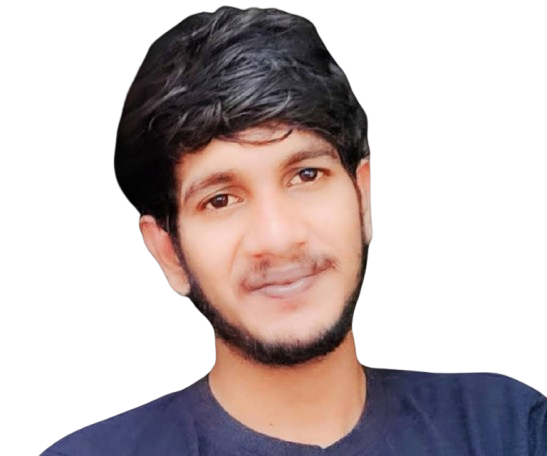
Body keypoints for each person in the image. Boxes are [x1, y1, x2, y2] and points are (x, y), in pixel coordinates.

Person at [40, 6, 545, 456]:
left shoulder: (508, 427)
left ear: (363, 198)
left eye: (306, 175)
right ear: (168, 253)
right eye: (220, 200)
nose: (278, 238)